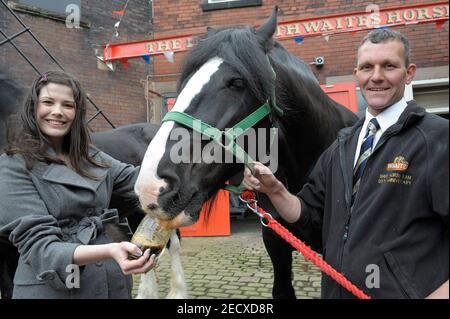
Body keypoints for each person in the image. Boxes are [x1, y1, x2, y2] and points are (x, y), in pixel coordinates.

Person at [243, 29, 448, 299]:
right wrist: (275, 190)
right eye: (367, 67)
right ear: (356, 75)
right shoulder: (342, 145)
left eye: (388, 66)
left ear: (409, 73)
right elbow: (309, 216)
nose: (376, 76)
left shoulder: (437, 139)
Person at [0, 71, 156, 299]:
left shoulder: (90, 156)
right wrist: (111, 249)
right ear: (33, 108)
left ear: (77, 112)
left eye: (67, 105)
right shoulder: (12, 166)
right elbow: (42, 249)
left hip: (111, 285)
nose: (57, 112)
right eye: (48, 102)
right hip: (54, 288)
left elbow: (138, 180)